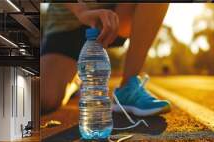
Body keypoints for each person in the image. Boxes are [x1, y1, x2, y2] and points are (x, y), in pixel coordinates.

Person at [41, 3, 171, 117]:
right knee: (43, 99)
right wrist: (82, 11)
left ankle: (128, 86)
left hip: (112, 19)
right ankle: (76, 81)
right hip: (66, 25)